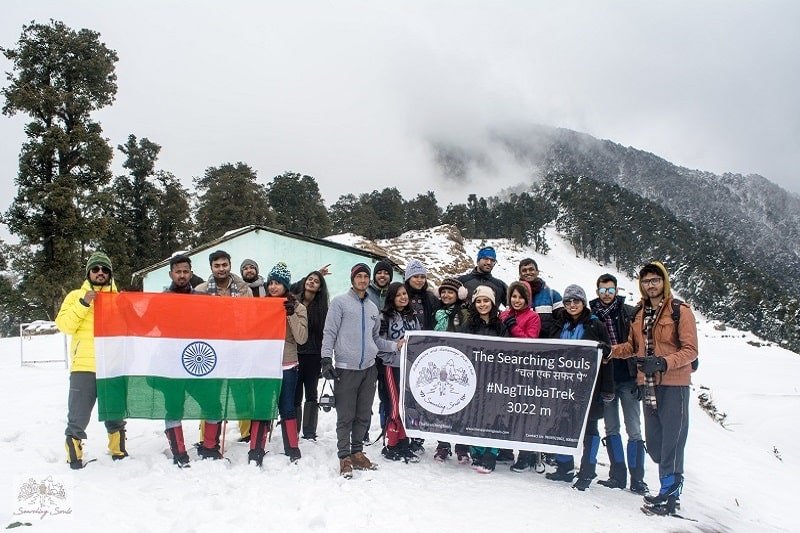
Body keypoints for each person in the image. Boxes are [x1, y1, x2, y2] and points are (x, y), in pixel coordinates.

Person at [612, 262, 698, 515]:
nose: (651, 285)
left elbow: (691, 351)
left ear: (664, 281)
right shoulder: (639, 313)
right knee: (657, 444)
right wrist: (609, 351)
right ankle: (669, 487)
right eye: (646, 281)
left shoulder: (679, 311)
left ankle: (669, 492)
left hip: (674, 385)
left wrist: (663, 363)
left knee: (673, 441)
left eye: (655, 280)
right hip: (647, 386)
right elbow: (631, 346)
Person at [320, 263, 404, 479]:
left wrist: (395, 345)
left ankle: (357, 452)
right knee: (345, 416)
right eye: (359, 276)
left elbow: (375, 339)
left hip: (369, 368)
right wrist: (326, 359)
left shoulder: (373, 308)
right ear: (352, 278)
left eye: (366, 276)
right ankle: (344, 456)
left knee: (363, 414)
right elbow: (329, 332)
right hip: (346, 369)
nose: (363, 280)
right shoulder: (339, 303)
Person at [56, 251, 127, 469]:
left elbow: (133, 328)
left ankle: (118, 451)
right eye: (95, 269)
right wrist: (83, 303)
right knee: (78, 415)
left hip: (112, 367)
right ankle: (75, 455)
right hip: (83, 366)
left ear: (110, 274)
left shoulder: (120, 299)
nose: (100, 273)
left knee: (115, 412)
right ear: (89, 272)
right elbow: (64, 326)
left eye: (105, 269)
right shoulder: (75, 295)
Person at [544, 284, 614, 491]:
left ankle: (587, 470)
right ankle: (564, 467)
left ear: (584, 302)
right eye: (568, 302)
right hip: (561, 387)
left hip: (589, 389)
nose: (572, 305)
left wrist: (607, 389)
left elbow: (607, 358)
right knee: (560, 425)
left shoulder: (595, 326)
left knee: (589, 429)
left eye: (576, 301)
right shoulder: (558, 325)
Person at [589, 273, 648, 494]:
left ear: (616, 291)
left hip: (628, 376)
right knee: (611, 426)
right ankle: (617, 474)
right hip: (606, 380)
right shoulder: (592, 314)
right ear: (597, 292)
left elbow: (643, 344)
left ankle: (637, 478)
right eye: (603, 290)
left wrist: (640, 377)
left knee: (634, 428)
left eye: (610, 290)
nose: (606, 294)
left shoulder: (629, 312)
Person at [248, 262, 308, 466]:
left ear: (286, 285)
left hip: (287, 364)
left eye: (278, 283)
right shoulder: (261, 305)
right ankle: (256, 448)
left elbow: (301, 338)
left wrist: (290, 314)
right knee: (262, 407)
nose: (273, 287)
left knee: (287, 407)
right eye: (271, 283)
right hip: (265, 365)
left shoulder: (298, 307)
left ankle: (292, 447)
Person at [194, 250, 252, 458]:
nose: (221, 269)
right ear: (211, 268)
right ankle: (207, 438)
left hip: (237, 347)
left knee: (240, 391)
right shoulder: (200, 290)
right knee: (209, 395)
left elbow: (251, 316)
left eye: (224, 265)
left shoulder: (244, 289)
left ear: (230, 265)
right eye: (217, 265)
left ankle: (247, 433)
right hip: (211, 350)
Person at [162, 254, 210, 467]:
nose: (182, 275)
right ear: (171, 273)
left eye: (185, 271)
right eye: (177, 271)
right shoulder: (161, 300)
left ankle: (210, 448)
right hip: (171, 364)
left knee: (212, 404)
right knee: (174, 407)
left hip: (196, 362)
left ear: (191, 273)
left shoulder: (201, 300)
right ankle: (179, 453)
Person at [460, 285, 508, 473]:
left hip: (496, 377)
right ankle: (476, 451)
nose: (482, 304)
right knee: (476, 413)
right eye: (479, 301)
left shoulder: (501, 326)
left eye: (486, 300)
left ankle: (491, 453)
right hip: (475, 376)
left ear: (493, 303)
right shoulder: (468, 325)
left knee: (495, 414)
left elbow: (510, 352)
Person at [499, 281, 545, 474]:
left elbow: (531, 342)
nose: (517, 300)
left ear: (527, 299)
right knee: (504, 409)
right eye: (514, 297)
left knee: (523, 411)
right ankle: (505, 449)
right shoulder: (503, 315)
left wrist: (514, 328)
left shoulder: (533, 316)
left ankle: (526, 454)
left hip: (525, 370)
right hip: (504, 368)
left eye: (521, 297)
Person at [378, 282, 421, 463]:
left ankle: (404, 442)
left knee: (405, 406)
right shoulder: (384, 317)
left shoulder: (413, 316)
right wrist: (395, 346)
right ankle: (392, 444)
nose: (403, 297)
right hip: (391, 365)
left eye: (405, 294)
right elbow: (378, 342)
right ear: (391, 298)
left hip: (408, 367)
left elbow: (419, 337)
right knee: (395, 405)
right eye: (398, 295)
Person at [432, 278, 471, 464]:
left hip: (459, 362)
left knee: (461, 404)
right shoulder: (437, 312)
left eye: (451, 292)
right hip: (440, 362)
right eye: (444, 292)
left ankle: (462, 446)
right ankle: (443, 444)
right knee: (442, 404)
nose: (446, 295)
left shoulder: (464, 311)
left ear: (458, 294)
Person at [292, 270, 329, 441]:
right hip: (294, 354)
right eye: (309, 279)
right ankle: (293, 428)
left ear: (320, 287)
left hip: (313, 355)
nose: (312, 282)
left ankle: (309, 431)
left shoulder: (323, 308)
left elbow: (325, 335)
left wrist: (325, 358)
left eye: (316, 281)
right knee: (295, 394)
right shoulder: (293, 302)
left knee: (311, 393)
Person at [365, 259, 394, 441]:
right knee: (365, 395)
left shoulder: (394, 293)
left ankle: (387, 429)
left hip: (387, 351)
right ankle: (362, 431)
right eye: (379, 272)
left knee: (386, 395)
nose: (382, 275)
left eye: (386, 273)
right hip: (368, 350)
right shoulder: (366, 293)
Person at [518, 258, 563, 334]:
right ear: (520, 274)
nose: (528, 272)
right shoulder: (514, 297)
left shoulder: (552, 295)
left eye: (531, 269)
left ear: (537, 272)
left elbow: (563, 321)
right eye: (524, 270)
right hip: (522, 343)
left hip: (546, 343)